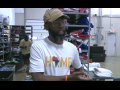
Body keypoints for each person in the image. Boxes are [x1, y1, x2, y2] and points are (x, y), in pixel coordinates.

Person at [29, 8, 92, 81]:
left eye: (63, 21)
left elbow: (79, 67)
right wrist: (67, 78)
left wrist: (79, 75)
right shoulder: (38, 47)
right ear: (46, 26)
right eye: (55, 22)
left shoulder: (72, 48)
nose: (61, 25)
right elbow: (37, 78)